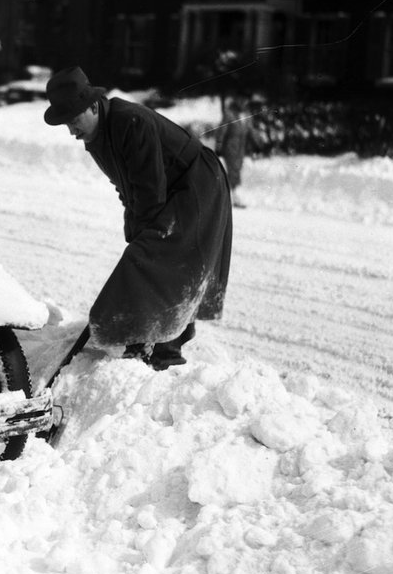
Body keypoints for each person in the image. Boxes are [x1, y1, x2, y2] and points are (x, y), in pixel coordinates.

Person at [43, 67, 233, 370]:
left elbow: (149, 191)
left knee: (158, 264)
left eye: (74, 120)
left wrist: (140, 235)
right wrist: (132, 227)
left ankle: (164, 354)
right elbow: (126, 187)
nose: (71, 130)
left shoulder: (130, 121)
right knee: (153, 262)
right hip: (170, 190)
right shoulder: (95, 136)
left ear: (93, 106)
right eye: (66, 123)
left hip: (196, 185)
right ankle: (148, 340)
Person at [215, 95, 253, 208]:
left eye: (245, 100)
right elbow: (222, 130)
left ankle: (231, 196)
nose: (243, 102)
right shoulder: (229, 113)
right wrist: (219, 144)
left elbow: (250, 130)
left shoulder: (247, 115)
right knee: (233, 172)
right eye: (241, 100)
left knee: (237, 170)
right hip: (230, 147)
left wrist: (258, 143)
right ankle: (234, 198)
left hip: (241, 148)